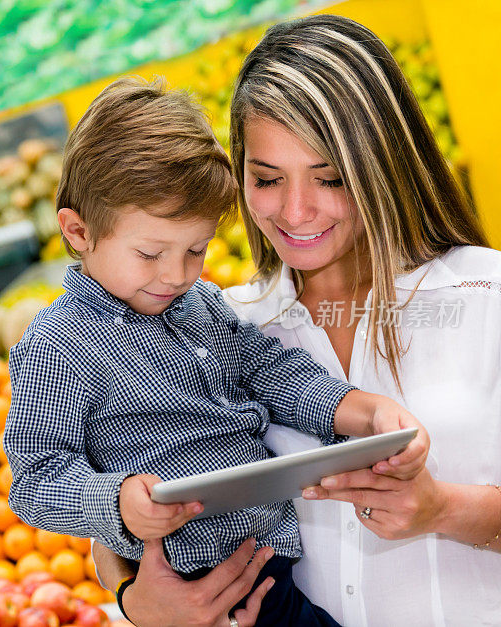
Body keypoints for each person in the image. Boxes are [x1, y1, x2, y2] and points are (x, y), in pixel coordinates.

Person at [92, 14, 501, 627]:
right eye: (266, 179)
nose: (296, 210)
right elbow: (123, 503)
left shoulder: (485, 296)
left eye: (330, 178)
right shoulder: (214, 326)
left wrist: (443, 509)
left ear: (384, 164)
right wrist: (136, 602)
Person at [2, 75, 429, 626]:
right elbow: (35, 479)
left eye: (196, 250)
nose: (177, 274)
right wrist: (118, 501)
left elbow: (272, 372)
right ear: (79, 232)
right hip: (194, 575)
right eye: (151, 253)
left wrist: (361, 410)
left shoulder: (204, 304)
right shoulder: (58, 346)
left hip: (271, 555)